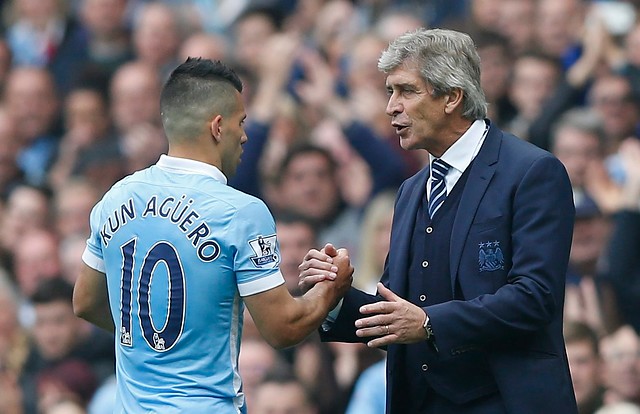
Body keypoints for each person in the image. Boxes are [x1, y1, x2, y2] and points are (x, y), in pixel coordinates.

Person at [299, 28, 577, 413]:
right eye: (389, 92)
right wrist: (332, 296)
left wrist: (430, 322)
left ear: (451, 97)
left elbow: (535, 297)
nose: (391, 107)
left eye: (406, 90)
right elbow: (397, 310)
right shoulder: (411, 190)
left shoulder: (532, 171)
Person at [72, 58, 353, 413]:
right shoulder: (241, 212)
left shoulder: (115, 198)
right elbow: (284, 328)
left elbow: (85, 302)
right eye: (242, 123)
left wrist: (154, 342)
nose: (246, 135)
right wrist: (332, 287)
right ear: (218, 127)